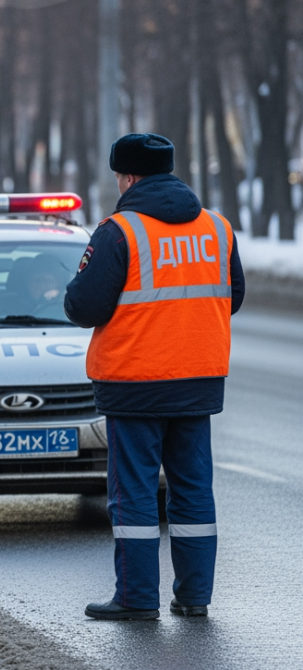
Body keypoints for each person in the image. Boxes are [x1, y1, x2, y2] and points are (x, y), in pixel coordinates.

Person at [65, 133, 245, 620]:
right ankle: (193, 597)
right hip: (197, 382)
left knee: (136, 495)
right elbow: (234, 296)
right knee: (191, 491)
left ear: (127, 177)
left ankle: (137, 598)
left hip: (135, 384)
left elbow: (83, 307)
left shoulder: (120, 231)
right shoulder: (216, 228)